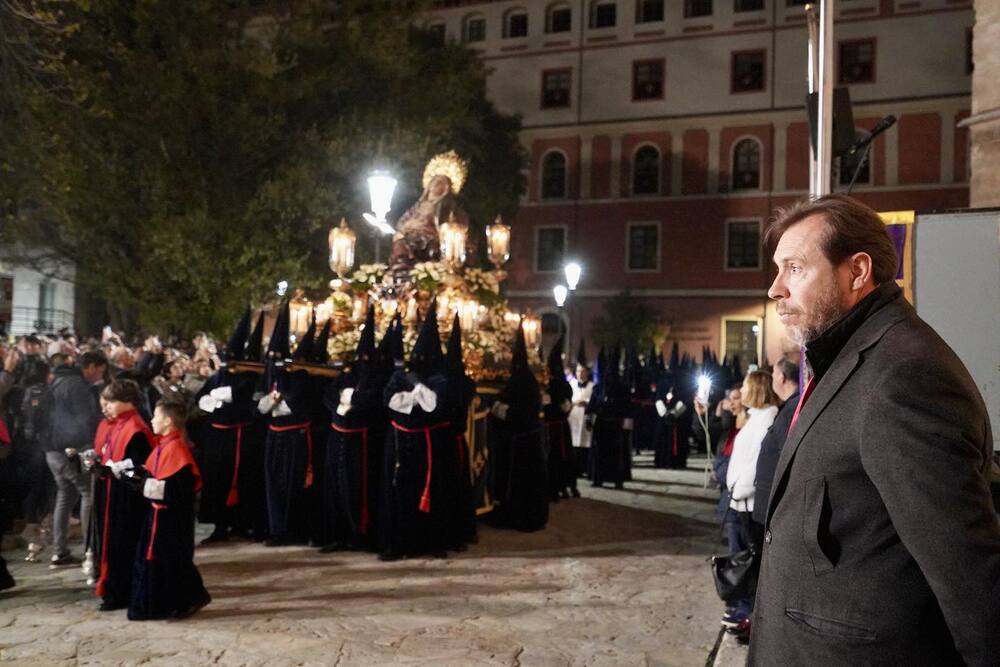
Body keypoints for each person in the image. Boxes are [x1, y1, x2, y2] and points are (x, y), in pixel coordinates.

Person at [750, 194, 1000, 665]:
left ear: (857, 272)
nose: (775, 289)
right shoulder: (853, 354)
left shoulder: (903, 375)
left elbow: (968, 571)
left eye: (794, 268)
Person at [380, 302, 454, 558]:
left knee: (429, 491)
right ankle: (396, 543)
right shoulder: (400, 376)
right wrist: (415, 396)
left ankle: (429, 543)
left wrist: (413, 394)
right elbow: (390, 400)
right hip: (399, 441)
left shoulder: (441, 380)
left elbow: (433, 405)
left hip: (427, 444)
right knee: (397, 491)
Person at [126, 400, 211, 620]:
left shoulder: (176, 449)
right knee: (169, 561)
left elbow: (177, 489)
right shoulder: (164, 445)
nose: (152, 420)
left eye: (156, 416)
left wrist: (143, 485)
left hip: (171, 518)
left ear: (168, 421)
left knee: (173, 561)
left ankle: (183, 600)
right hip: (159, 514)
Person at [321, 306, 386, 552]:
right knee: (335, 487)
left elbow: (371, 400)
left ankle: (359, 535)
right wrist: (341, 401)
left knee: (357, 490)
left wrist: (352, 400)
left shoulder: (376, 377)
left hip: (362, 443)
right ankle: (336, 535)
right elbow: (329, 395)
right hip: (338, 437)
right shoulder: (347, 375)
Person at [720, 370, 779, 630]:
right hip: (739, 499)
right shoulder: (754, 419)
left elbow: (757, 463)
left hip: (747, 501)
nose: (741, 391)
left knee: (748, 557)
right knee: (740, 554)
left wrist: (739, 489)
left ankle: (747, 609)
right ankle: (741, 603)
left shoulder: (767, 420)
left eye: (744, 385)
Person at [88, 380, 154, 611]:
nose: (107, 406)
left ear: (127, 402)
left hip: (127, 498)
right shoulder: (118, 424)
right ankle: (112, 588)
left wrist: (112, 469)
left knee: (123, 544)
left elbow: (139, 463)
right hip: (113, 492)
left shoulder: (135, 427)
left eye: (112, 402)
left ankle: (121, 591)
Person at [45, 353, 103, 568]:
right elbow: (85, 419)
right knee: (87, 492)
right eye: (100, 370)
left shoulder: (57, 380)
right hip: (71, 449)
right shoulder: (77, 385)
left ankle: (59, 552)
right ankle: (91, 550)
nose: (100, 376)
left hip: (51, 448)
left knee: (65, 495)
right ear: (91, 367)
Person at [489, 322, 548, 531]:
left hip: (520, 442)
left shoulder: (521, 383)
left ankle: (519, 516)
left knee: (520, 483)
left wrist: (497, 408)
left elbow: (518, 412)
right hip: (529, 440)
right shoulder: (529, 381)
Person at [388, 151, 470, 277]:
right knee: (400, 245)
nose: (437, 186)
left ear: (447, 189)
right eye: (435, 182)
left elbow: (453, 228)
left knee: (433, 251)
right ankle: (402, 272)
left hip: (434, 241)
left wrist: (438, 229)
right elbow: (401, 226)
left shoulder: (449, 209)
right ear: (429, 186)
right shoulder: (416, 207)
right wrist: (408, 226)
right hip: (411, 240)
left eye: (442, 183)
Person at [750, 357, 799, 531]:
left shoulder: (791, 410)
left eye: (773, 374)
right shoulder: (789, 407)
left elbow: (787, 453)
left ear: (781, 377)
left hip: (774, 503)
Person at [542, 336, 575, 501]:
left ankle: (559, 487)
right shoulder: (549, 385)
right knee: (558, 458)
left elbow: (565, 407)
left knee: (558, 458)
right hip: (556, 427)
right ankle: (559, 487)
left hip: (557, 428)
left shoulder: (555, 386)